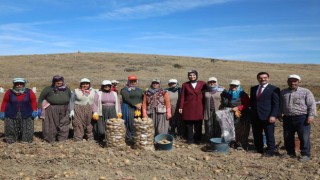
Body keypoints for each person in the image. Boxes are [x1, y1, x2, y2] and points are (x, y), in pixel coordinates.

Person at [280, 74, 317, 162]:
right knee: (288, 137)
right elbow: (280, 105)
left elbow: (312, 104)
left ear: (299, 82)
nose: (293, 83)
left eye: (295, 81)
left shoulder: (306, 92)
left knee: (304, 137)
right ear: (287, 82)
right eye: (291, 81)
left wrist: (311, 115)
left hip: (302, 118)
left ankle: (305, 154)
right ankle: (290, 153)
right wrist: (279, 114)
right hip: (287, 118)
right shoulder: (283, 92)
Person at [250, 72, 280, 156]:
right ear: (258, 79)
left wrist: (273, 115)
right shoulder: (253, 88)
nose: (263, 79)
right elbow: (253, 102)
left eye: (265, 77)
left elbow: (276, 104)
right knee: (256, 134)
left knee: (269, 134)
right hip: (255, 116)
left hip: (268, 116)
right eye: (261, 78)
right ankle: (259, 149)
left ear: (268, 78)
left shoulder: (274, 89)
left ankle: (271, 151)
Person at [0, 78, 38, 143]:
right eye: (17, 84)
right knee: (10, 126)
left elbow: (33, 101)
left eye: (21, 84)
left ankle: (26, 139)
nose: (19, 86)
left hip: (26, 112)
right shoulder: (9, 92)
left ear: (24, 85)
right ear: (14, 85)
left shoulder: (29, 92)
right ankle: (11, 139)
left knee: (27, 126)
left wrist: (34, 110)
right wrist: (2, 111)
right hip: (11, 112)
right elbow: (5, 102)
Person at [37, 75, 72, 143]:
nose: (59, 82)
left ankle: (62, 139)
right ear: (54, 82)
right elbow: (41, 98)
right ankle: (50, 139)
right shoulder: (48, 89)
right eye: (57, 81)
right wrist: (39, 108)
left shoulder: (67, 89)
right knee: (51, 124)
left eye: (60, 81)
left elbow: (71, 98)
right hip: (52, 108)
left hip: (65, 108)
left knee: (64, 123)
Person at [179, 70, 206, 144]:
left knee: (198, 124)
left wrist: (219, 87)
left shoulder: (202, 83)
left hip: (199, 106)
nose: (192, 76)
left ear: (196, 75)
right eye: (190, 75)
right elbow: (182, 96)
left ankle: (198, 140)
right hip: (188, 107)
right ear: (188, 76)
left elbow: (210, 88)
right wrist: (181, 107)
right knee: (189, 125)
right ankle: (190, 139)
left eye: (193, 75)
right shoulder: (185, 85)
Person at [222, 80, 250, 150]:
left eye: (235, 86)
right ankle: (231, 143)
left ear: (239, 86)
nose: (233, 87)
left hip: (241, 115)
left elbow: (247, 104)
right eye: (232, 85)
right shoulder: (228, 93)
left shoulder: (243, 94)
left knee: (240, 129)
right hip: (231, 114)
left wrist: (238, 107)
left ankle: (240, 144)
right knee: (231, 128)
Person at [120, 75, 144, 144]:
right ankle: (129, 138)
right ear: (128, 81)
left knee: (137, 122)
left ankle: (136, 137)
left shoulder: (139, 90)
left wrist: (141, 104)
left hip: (138, 108)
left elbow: (143, 97)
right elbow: (126, 98)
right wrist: (135, 104)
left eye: (134, 81)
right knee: (129, 122)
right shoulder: (125, 89)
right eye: (131, 81)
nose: (133, 83)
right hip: (128, 107)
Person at [203, 77, 226, 142]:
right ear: (208, 83)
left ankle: (217, 140)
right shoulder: (205, 91)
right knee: (208, 125)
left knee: (217, 125)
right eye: (210, 82)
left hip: (218, 110)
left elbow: (227, 99)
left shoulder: (221, 90)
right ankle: (209, 140)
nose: (212, 83)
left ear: (216, 82)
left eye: (214, 82)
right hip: (208, 110)